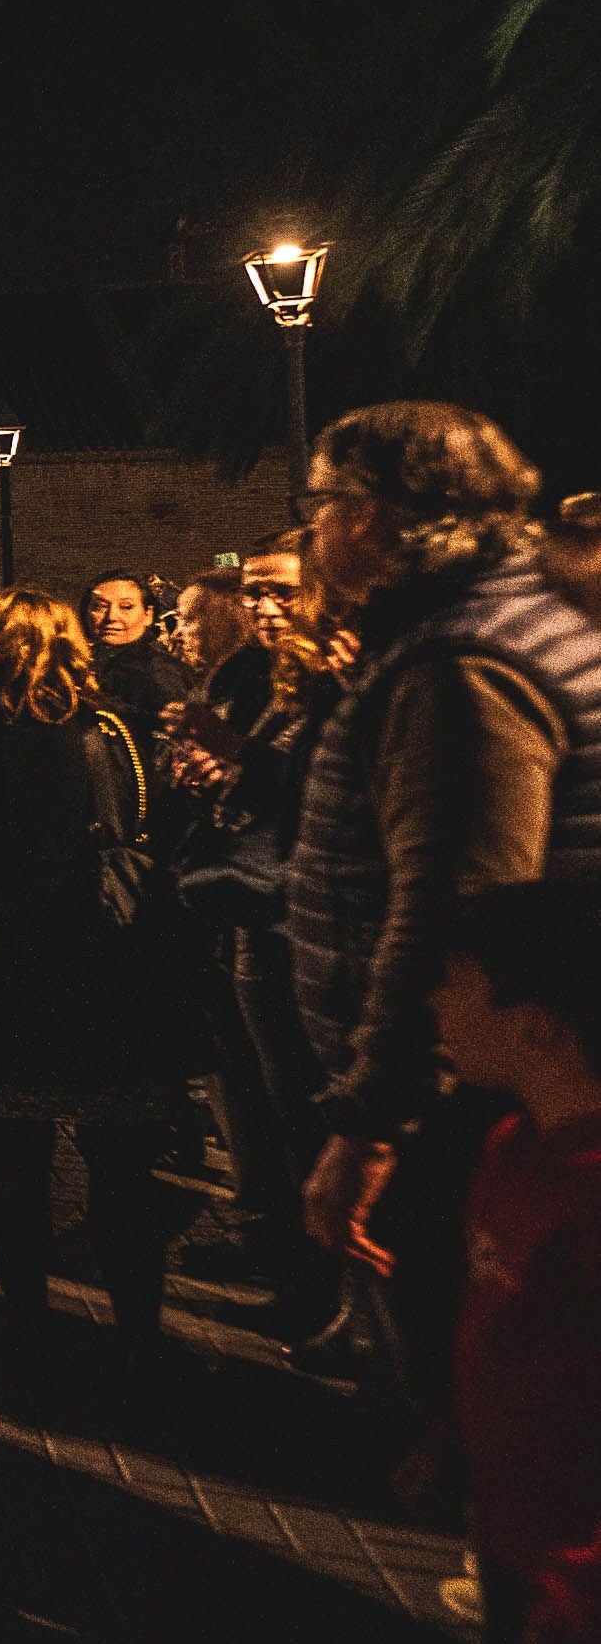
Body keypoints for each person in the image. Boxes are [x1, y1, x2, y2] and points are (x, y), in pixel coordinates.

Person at [285, 404, 601, 1422]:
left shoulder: (465, 661)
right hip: (510, 1078)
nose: (312, 530)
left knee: (489, 1391)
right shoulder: (515, 617)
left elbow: (456, 911)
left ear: (370, 516)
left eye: (322, 503)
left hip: (476, 1094)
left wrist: (374, 1126)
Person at [0, 590, 202, 1380]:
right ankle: (138, 1333)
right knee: (122, 1165)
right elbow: (154, 835)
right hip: (102, 956)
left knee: (11, 1152)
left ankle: (26, 1321)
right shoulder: (107, 736)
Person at [166, 531, 361, 1335]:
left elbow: (336, 792)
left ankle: (344, 1298)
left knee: (321, 1108)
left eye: (280, 590)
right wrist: (204, 766)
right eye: (252, 590)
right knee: (273, 1099)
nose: (262, 606)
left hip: (320, 914)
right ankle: (296, 1268)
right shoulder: (256, 670)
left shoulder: (353, 673)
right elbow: (244, 772)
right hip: (253, 903)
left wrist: (236, 761)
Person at [428, 884, 601, 1644]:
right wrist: (450, 1439)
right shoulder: (510, 1142)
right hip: (508, 1528)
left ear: (539, 1027)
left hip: (573, 1573)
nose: (431, 999)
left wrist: (581, 1589)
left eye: (454, 981)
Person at [84, 570, 196, 728]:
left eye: (126, 607)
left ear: (148, 614)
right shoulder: (88, 661)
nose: (111, 617)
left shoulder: (160, 670)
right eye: (100, 607)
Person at [176, 569, 269, 733]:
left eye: (188, 619)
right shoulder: (211, 683)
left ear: (221, 623)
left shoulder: (249, 690)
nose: (177, 633)